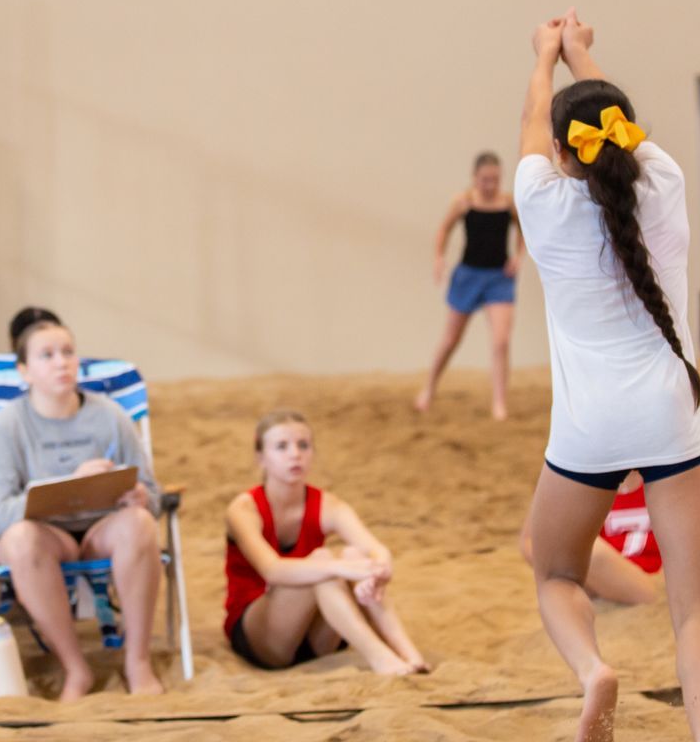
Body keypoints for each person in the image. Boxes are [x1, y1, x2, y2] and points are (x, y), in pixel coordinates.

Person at [516, 9, 700, 742]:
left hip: (589, 425)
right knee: (698, 610)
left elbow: (535, 131)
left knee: (555, 575)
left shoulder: (542, 202)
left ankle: (592, 671)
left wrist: (545, 55)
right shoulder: (663, 181)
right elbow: (606, 119)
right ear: (631, 134)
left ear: (559, 149)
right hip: (671, 414)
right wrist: (580, 52)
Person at [0, 308, 166, 700]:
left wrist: (142, 497)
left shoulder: (110, 415)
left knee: (140, 524)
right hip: (48, 536)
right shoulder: (8, 426)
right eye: (46, 355)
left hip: (104, 529)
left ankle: (138, 661)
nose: (61, 362)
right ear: (24, 370)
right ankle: (75, 668)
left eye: (67, 351)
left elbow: (154, 493)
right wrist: (64, 487)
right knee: (18, 540)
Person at [223, 410, 429, 675]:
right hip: (263, 637)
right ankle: (380, 657)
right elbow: (272, 570)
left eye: (303, 445)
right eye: (281, 446)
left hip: (319, 637)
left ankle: (408, 652)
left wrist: (379, 568)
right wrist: (341, 568)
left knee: (354, 555)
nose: (295, 454)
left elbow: (375, 548)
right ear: (261, 457)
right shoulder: (243, 508)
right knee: (325, 562)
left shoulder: (327, 504)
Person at [516, 471, 700, 606]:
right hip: (608, 585)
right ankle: (659, 605)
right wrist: (576, 581)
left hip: (667, 578)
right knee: (590, 550)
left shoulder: (665, 469)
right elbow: (530, 540)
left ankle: (679, 603)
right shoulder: (581, 473)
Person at [417, 152, 524, 419]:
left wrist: (518, 257)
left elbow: (524, 230)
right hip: (468, 276)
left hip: (499, 278)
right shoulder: (463, 202)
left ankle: (499, 402)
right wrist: (439, 257)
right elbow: (443, 229)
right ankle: (429, 387)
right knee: (451, 338)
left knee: (501, 340)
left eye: (496, 180)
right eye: (485, 180)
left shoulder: (508, 203)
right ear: (475, 178)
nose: (490, 185)